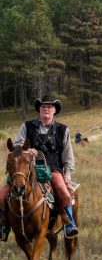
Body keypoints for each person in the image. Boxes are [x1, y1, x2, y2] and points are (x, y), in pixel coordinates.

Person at [0, 95, 78, 241]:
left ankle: (69, 225)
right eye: (43, 107)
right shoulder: (27, 126)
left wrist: (67, 174)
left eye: (49, 107)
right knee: (2, 195)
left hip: (53, 169)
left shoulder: (63, 130)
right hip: (25, 168)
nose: (46, 109)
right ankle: (3, 226)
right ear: (39, 110)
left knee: (65, 194)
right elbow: (16, 148)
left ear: (54, 110)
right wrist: (26, 151)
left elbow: (68, 155)